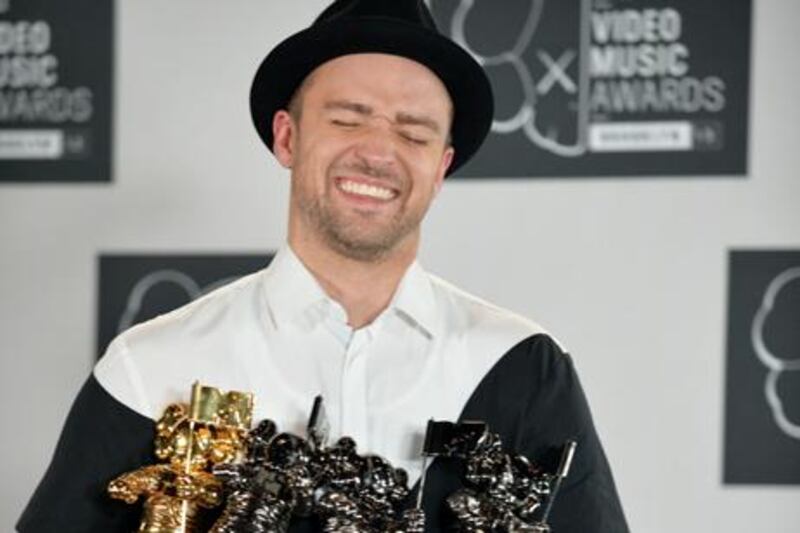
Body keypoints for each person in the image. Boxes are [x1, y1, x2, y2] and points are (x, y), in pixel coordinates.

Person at [18, 1, 629, 531]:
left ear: (440, 168)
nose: (378, 151)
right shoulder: (152, 369)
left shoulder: (519, 363)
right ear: (288, 138)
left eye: (413, 133)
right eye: (347, 119)